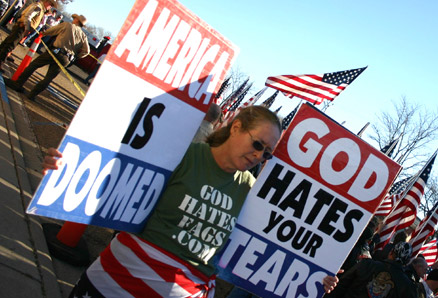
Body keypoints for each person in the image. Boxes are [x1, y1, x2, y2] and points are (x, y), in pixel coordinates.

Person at [41, 105, 338, 297]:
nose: (259, 156)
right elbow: (113, 178)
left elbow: (269, 251)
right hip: (117, 283)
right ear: (235, 127)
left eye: (267, 153)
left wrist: (313, 279)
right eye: (257, 144)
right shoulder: (184, 154)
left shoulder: (252, 192)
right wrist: (66, 167)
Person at [5, 13, 89, 101]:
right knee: (48, 78)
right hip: (66, 59)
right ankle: (32, 95)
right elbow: (86, 51)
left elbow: (53, 30)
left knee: (34, 65)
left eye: (75, 19)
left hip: (55, 52)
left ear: (77, 21)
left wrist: (43, 33)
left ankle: (17, 84)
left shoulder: (67, 25)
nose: (73, 19)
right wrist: (76, 56)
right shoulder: (83, 36)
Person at [326, 242, 419, 298]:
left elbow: (340, 286)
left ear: (390, 252)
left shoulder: (367, 264)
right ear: (407, 262)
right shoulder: (408, 287)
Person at [0, 0, 56, 70]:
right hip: (22, 27)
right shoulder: (38, 7)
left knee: (9, 42)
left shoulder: (40, 8)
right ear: (46, 2)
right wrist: (27, 28)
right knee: (10, 45)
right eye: (51, 4)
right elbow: (28, 17)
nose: (50, 7)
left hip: (22, 27)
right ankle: (1, 61)